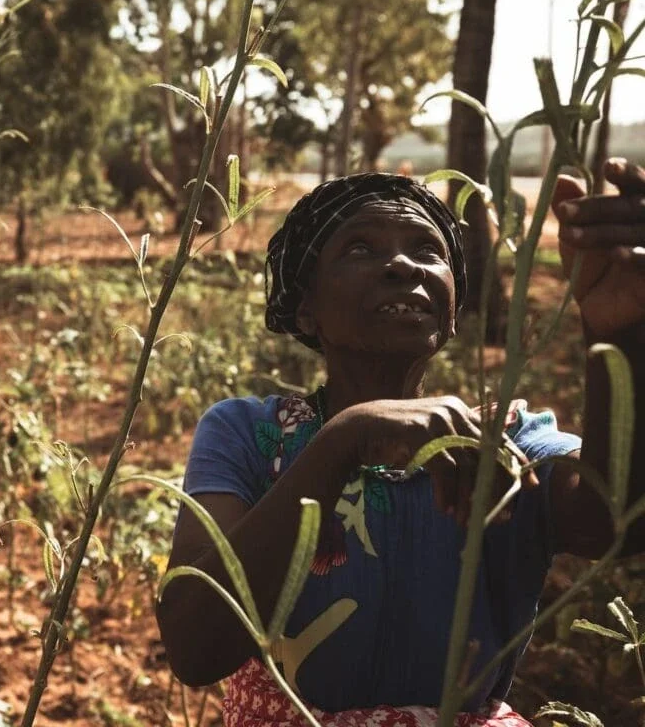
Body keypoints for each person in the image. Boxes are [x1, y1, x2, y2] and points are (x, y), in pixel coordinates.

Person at [156, 168, 645, 725]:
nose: (402, 264)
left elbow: (615, 519)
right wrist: (343, 440)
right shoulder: (247, 433)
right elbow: (196, 646)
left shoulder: (503, 440)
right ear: (305, 308)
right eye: (360, 247)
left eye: (426, 250)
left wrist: (619, 335)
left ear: (454, 307)